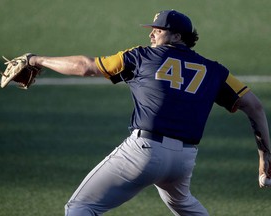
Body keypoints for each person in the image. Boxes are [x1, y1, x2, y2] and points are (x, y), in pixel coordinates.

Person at [28, 9, 271, 216]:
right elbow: (255, 106)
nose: (151, 33)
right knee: (181, 203)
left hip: (143, 153)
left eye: (159, 30)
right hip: (183, 160)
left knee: (80, 206)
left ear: (177, 36)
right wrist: (265, 156)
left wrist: (36, 60)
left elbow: (86, 67)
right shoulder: (215, 71)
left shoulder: (141, 55)